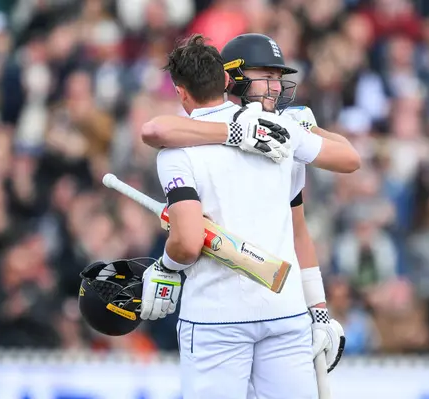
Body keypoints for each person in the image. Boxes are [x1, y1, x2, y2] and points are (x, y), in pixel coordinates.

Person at [140, 34, 356, 399]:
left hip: (216, 315)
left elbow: (297, 230)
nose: (275, 87)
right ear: (229, 79)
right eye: (265, 76)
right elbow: (160, 128)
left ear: (181, 91)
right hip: (282, 310)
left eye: (277, 77)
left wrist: (318, 310)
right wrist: (238, 132)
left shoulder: (275, 128)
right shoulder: (278, 133)